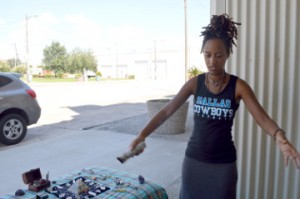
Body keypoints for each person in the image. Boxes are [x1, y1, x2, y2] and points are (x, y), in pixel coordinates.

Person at [129, 14, 300, 199]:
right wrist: (142, 134)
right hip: (194, 161)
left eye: (218, 55)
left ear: (227, 54)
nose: (212, 61)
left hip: (223, 165)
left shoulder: (238, 86)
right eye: (208, 55)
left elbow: (262, 118)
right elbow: (166, 111)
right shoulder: (195, 83)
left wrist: (280, 137)